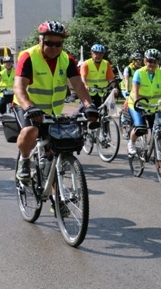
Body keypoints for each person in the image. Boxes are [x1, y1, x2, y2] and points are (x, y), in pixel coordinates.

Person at [13, 21, 98, 184]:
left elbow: (79, 85)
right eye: (49, 43)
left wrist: (89, 105)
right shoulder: (28, 57)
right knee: (30, 130)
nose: (54, 47)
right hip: (27, 106)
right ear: (40, 41)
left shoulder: (67, 59)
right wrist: (30, 107)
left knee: (53, 154)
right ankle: (24, 161)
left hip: (52, 111)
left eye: (58, 44)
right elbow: (19, 87)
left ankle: (56, 202)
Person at [125, 48, 161, 155]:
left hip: (154, 106)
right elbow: (135, 91)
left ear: (158, 62)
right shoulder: (138, 73)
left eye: (155, 61)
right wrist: (137, 103)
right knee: (140, 127)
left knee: (159, 129)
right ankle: (131, 143)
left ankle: (158, 153)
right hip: (137, 104)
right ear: (145, 61)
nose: (152, 64)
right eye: (150, 61)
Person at [79, 43, 115, 112]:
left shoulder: (106, 63)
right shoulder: (86, 64)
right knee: (85, 110)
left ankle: (104, 122)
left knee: (104, 112)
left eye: (101, 54)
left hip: (102, 92)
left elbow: (110, 78)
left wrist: (114, 88)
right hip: (89, 93)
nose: (98, 55)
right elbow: (83, 77)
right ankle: (76, 118)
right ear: (92, 53)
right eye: (96, 53)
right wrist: (85, 85)